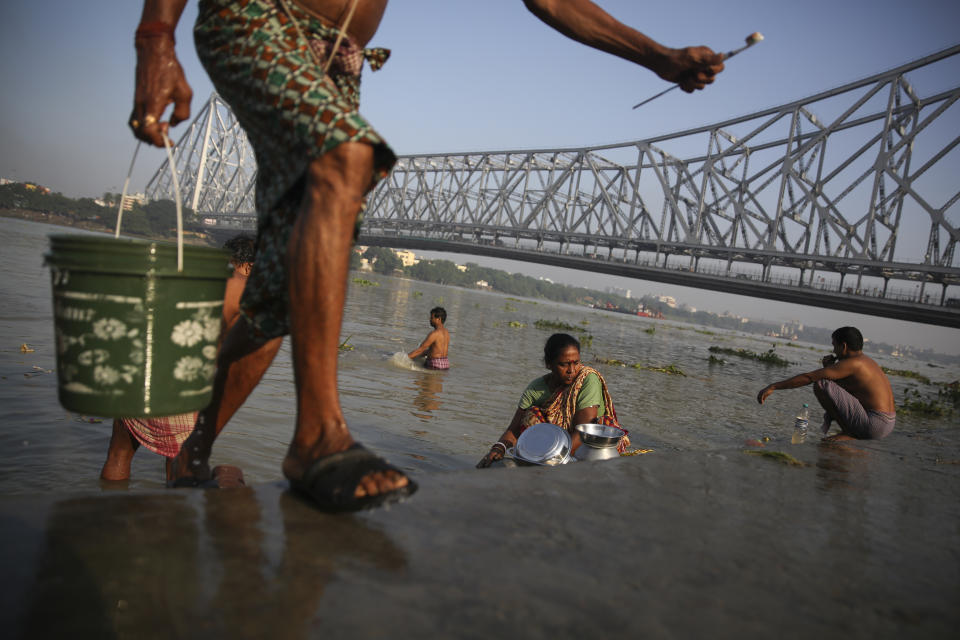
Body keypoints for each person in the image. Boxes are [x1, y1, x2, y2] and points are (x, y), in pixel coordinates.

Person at [128, 0, 723, 509]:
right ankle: (317, 438)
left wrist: (659, 56)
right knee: (349, 158)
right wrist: (156, 35)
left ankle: (188, 458)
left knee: (278, 293)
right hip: (259, 17)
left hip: (337, 60)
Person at [99, 234, 257, 483]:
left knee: (118, 454)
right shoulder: (243, 292)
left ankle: (103, 514)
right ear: (249, 265)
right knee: (179, 472)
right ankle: (171, 519)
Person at [476, 333, 627, 468]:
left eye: (576, 362)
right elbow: (514, 428)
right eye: (564, 364)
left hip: (585, 444)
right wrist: (499, 448)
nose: (572, 370)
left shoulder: (587, 379)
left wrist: (552, 462)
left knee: (598, 424)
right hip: (555, 444)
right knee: (532, 415)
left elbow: (584, 430)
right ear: (549, 364)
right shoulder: (535, 388)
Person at [757, 326, 896, 440]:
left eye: (834, 346)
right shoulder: (867, 362)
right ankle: (851, 432)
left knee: (821, 384)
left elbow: (810, 377)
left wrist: (774, 386)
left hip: (874, 424)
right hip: (887, 423)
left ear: (844, 346)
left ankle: (848, 432)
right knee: (827, 383)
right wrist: (828, 369)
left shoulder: (853, 363)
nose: (833, 350)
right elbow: (846, 391)